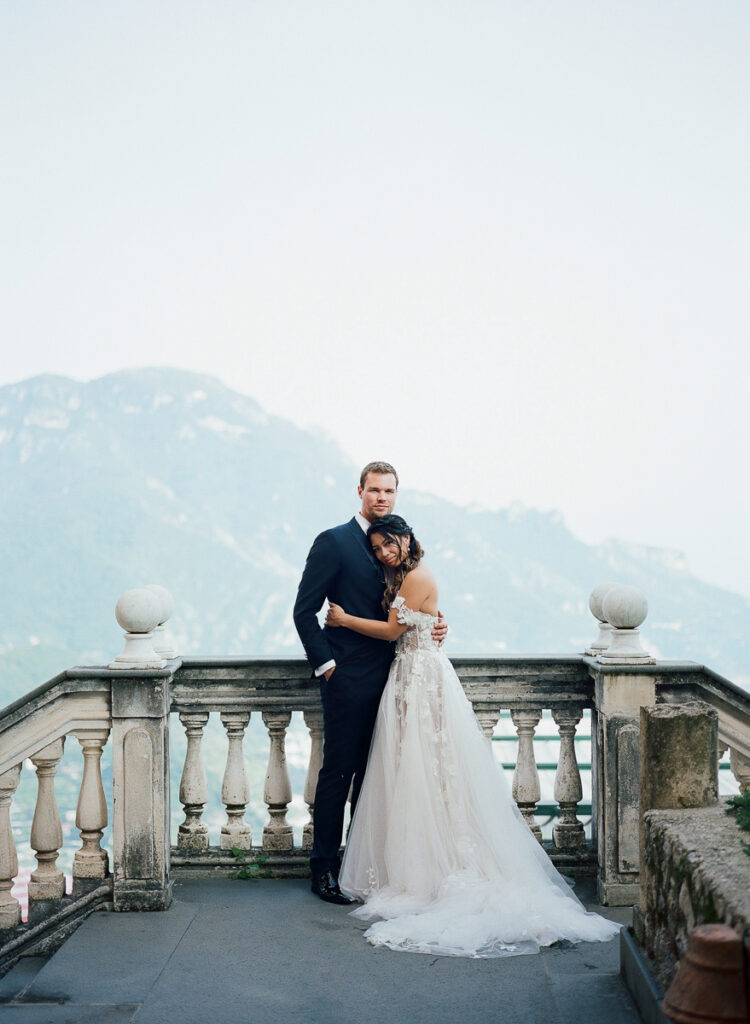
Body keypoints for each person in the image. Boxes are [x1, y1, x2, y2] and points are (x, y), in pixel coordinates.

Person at [325, 515, 621, 957]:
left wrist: (344, 619)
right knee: (413, 769)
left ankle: (436, 867)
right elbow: (411, 623)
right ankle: (416, 864)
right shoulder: (404, 575)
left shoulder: (419, 575)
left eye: (390, 544)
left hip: (422, 677)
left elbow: (391, 630)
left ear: (406, 539)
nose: (385, 553)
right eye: (379, 549)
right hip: (410, 674)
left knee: (428, 768)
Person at [293, 463, 446, 904]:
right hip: (348, 676)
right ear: (359, 491)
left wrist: (436, 624)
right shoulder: (334, 542)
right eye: (374, 490)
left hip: (398, 677)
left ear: (396, 495)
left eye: (389, 491)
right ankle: (323, 869)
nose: (381, 497)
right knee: (338, 772)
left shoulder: (397, 545)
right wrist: (326, 665)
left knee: (378, 776)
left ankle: (363, 866)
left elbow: (411, 604)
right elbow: (304, 611)